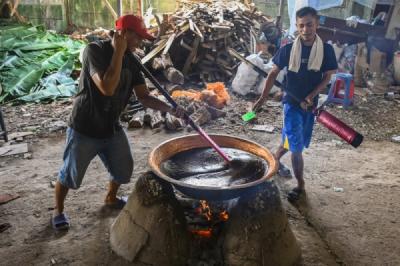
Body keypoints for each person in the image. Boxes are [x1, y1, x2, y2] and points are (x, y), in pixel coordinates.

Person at [52, 14, 185, 230]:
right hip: (85, 127)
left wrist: (171, 109)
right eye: (138, 37)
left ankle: (111, 198)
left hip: (111, 127)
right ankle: (58, 210)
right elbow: (107, 88)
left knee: (124, 169)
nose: (140, 43)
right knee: (70, 175)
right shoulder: (94, 51)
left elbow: (144, 96)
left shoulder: (133, 60)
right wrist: (119, 52)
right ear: (123, 34)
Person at [253, 7, 337, 203]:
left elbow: (327, 76)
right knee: (297, 147)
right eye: (301, 25)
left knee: (293, 140)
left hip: (310, 105)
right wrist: (262, 98)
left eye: (309, 24)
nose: (305, 29)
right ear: (297, 27)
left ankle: (273, 159)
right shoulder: (289, 49)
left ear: (317, 24)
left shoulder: (326, 50)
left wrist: (312, 95)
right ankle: (300, 185)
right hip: (291, 105)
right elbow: (273, 73)